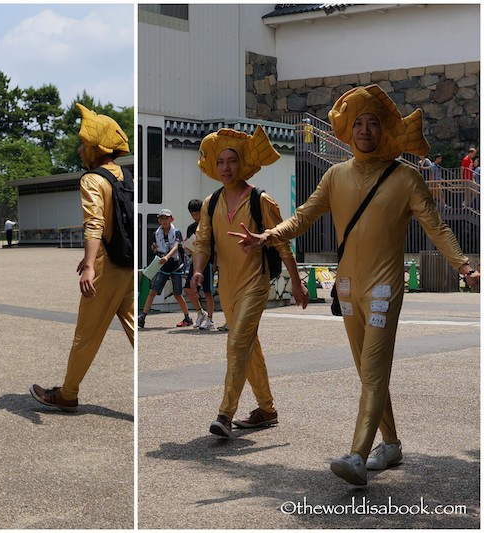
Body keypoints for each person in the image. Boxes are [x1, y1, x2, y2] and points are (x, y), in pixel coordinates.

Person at [230, 85, 479, 486]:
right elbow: (303, 217)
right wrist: (268, 236)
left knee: (374, 371)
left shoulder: (406, 178)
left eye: (373, 123)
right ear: (347, 130)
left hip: (384, 289)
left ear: (384, 130)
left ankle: (358, 455)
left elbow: (438, 228)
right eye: (358, 122)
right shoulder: (334, 176)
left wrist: (465, 268)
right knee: (368, 373)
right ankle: (392, 444)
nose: (365, 129)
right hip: (346, 288)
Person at [191, 125, 308, 440]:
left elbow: (283, 243)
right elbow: (202, 242)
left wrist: (297, 283)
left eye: (232, 161)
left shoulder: (261, 200)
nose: (226, 167)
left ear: (241, 164)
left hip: (255, 284)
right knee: (249, 347)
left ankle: (224, 414)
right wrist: (198, 270)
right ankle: (267, 409)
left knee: (236, 343)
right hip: (225, 287)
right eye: (221, 162)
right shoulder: (210, 203)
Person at [30, 103, 134, 411]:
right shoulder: (125, 177)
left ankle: (67, 394)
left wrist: (89, 265)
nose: (80, 151)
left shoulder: (92, 180)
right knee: (131, 326)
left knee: (86, 334)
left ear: (96, 147)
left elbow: (95, 223)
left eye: (83, 145)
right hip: (127, 263)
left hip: (105, 269)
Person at [138, 209, 191, 328]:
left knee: (177, 294)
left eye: (166, 218)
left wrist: (167, 256)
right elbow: (156, 248)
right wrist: (154, 249)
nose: (164, 221)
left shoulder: (176, 232)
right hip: (163, 265)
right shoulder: (156, 233)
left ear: (171, 219)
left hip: (176, 265)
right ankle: (143, 316)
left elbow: (176, 246)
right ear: (158, 220)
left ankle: (187, 317)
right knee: (152, 291)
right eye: (161, 218)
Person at [182, 199, 216, 330]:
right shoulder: (191, 228)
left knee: (208, 291)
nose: (196, 217)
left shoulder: (210, 225)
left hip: (208, 261)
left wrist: (215, 263)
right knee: (187, 288)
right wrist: (187, 245)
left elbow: (216, 245)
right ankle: (201, 312)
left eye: (197, 213)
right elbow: (189, 250)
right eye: (193, 214)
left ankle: (210, 319)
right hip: (195, 262)